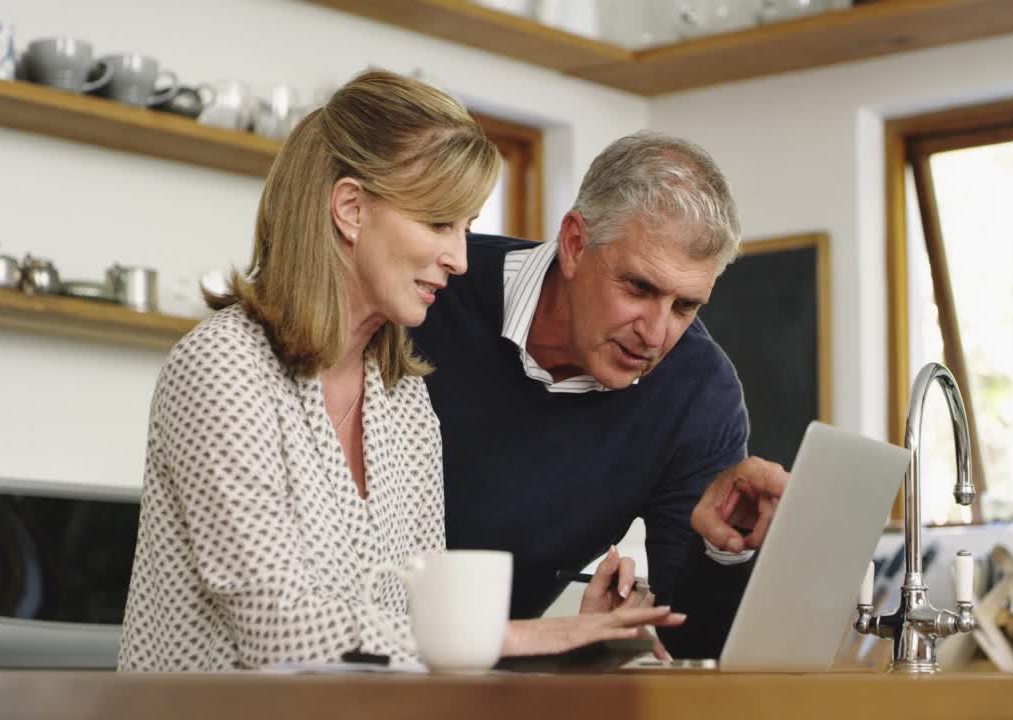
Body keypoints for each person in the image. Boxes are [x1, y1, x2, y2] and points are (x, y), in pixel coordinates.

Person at [117, 71, 682, 672]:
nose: (460, 259)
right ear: (351, 209)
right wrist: (519, 637)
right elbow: (275, 627)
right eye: (440, 223)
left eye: (466, 229)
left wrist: (570, 639)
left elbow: (417, 639)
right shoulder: (223, 368)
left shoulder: (404, 401)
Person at [410, 131, 790, 659]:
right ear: (574, 243)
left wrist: (725, 551)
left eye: (685, 307)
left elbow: (693, 644)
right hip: (328, 658)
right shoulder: (431, 291)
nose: (655, 335)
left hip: (485, 683)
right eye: (638, 288)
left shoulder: (698, 390)